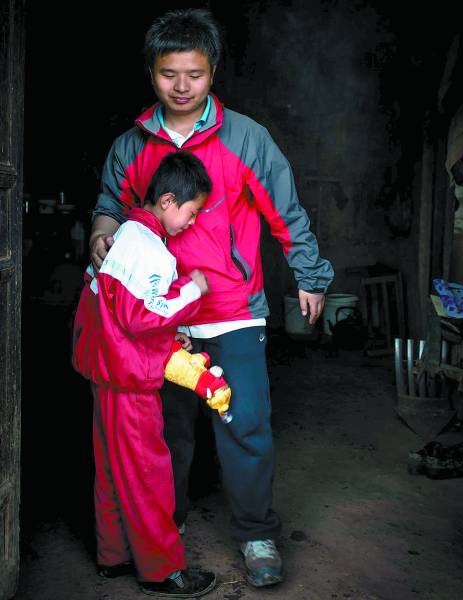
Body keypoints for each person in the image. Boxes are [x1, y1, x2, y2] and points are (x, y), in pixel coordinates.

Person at [89, 8, 334, 588]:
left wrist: (310, 274)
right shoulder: (131, 145)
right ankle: (161, 532)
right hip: (157, 321)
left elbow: (285, 210)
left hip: (230, 312)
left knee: (244, 423)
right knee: (165, 434)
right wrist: (101, 230)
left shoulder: (246, 138)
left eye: (194, 74)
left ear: (213, 70)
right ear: (151, 73)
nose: (181, 86)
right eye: (168, 73)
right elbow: (110, 203)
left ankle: (256, 532)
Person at [73, 151, 217, 597]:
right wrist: (193, 289)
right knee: (150, 475)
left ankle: (113, 555)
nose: (191, 223)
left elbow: (114, 309)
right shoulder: (151, 250)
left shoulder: (123, 237)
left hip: (104, 374)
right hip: (131, 383)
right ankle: (163, 571)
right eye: (190, 213)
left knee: (111, 470)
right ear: (169, 201)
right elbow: (141, 315)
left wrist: (170, 333)